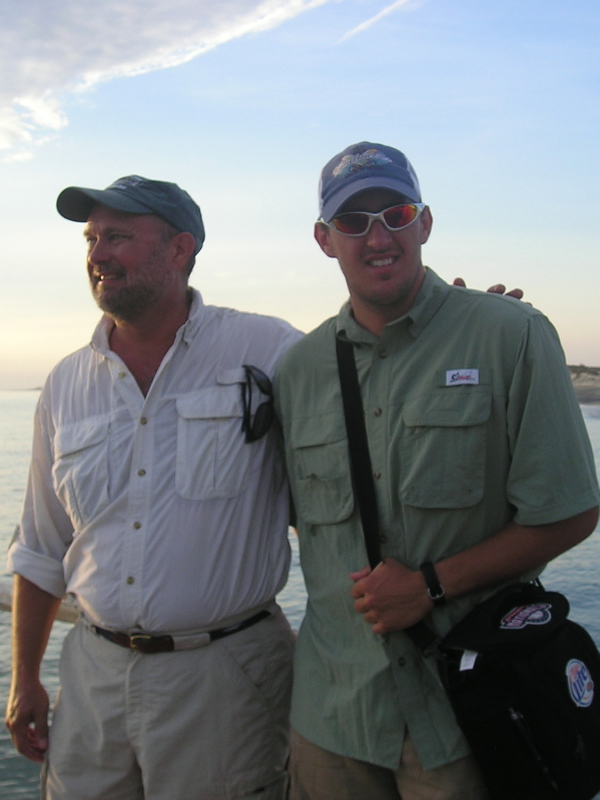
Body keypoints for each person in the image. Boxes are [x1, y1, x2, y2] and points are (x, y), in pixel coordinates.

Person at [274, 142, 600, 800]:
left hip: (465, 712)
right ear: (323, 239)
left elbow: (570, 510)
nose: (378, 237)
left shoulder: (511, 334)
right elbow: (304, 523)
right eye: (353, 222)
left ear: (424, 223)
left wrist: (430, 584)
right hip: (331, 718)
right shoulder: (297, 371)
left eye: (395, 214)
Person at [5, 175, 303, 800]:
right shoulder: (65, 385)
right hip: (92, 675)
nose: (97, 254)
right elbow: (40, 546)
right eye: (91, 239)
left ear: (180, 249)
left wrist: (460, 334)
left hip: (225, 677)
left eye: (118, 236)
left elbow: (374, 404)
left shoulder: (269, 349)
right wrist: (25, 678)